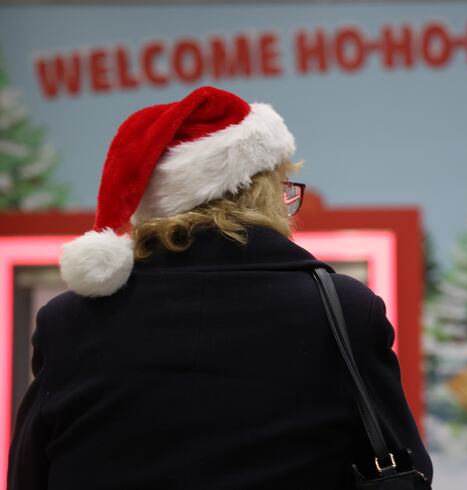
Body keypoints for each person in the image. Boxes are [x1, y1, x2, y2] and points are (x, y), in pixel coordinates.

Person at [8, 86, 431, 489]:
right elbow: (407, 466)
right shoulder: (341, 310)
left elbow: (28, 476)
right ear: (263, 193)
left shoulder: (67, 323)